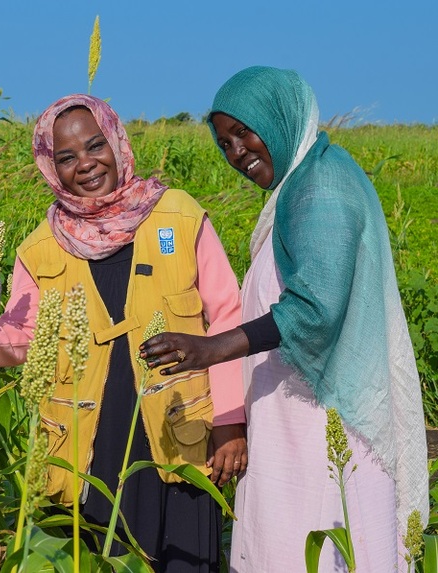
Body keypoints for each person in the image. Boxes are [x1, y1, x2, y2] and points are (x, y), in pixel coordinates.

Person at [140, 66, 429, 572]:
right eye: (224, 143)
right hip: (294, 423)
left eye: (243, 132)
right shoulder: (301, 184)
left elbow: (317, 308)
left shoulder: (321, 184)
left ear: (278, 116)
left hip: (323, 427)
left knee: (314, 548)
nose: (236, 153)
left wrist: (212, 348)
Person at [0, 94, 246, 572]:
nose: (85, 164)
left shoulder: (178, 215)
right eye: (66, 157)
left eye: (94, 146)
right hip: (90, 450)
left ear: (117, 142)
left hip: (178, 439)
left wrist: (230, 421)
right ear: (50, 166)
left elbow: (227, 317)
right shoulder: (40, 248)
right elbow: (23, 333)